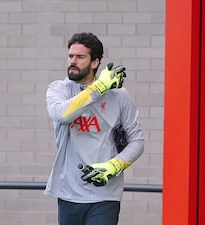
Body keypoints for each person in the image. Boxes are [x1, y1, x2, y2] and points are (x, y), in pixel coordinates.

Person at [44, 32, 144, 225]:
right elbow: (62, 115)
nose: (73, 61)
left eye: (80, 57)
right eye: (70, 56)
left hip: (105, 195)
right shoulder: (59, 89)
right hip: (68, 193)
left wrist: (114, 166)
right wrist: (98, 88)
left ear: (95, 63)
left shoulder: (119, 95)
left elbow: (137, 141)